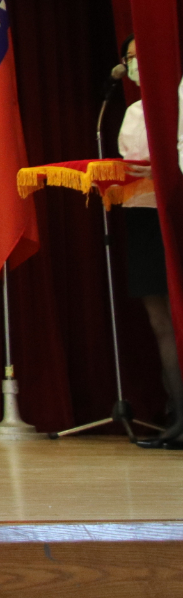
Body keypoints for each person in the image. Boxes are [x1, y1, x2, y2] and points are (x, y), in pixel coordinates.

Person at [118, 37, 183, 449]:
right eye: (129, 57)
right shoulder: (132, 112)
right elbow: (130, 160)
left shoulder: (177, 103)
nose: (134, 63)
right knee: (160, 321)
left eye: (141, 55)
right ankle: (177, 415)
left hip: (174, 211)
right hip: (142, 214)